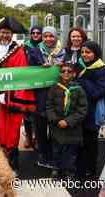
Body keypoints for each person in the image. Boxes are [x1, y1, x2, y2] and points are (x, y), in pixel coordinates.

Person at [0, 16, 36, 175]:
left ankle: (11, 163)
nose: (5, 35)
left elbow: (21, 75)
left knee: (10, 130)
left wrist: (7, 95)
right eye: (2, 32)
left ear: (12, 34)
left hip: (7, 98)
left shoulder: (18, 51)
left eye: (8, 33)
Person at [28, 26, 66, 169]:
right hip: (41, 96)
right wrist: (39, 68)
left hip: (59, 96)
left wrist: (62, 67)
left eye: (51, 36)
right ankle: (43, 156)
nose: (48, 39)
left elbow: (70, 71)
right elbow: (29, 71)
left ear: (56, 37)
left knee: (56, 129)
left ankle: (56, 157)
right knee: (41, 128)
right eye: (45, 36)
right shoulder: (35, 51)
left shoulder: (64, 52)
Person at [75, 41, 105, 178]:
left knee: (90, 142)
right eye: (83, 52)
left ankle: (91, 169)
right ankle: (79, 167)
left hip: (92, 112)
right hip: (78, 111)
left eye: (88, 52)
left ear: (95, 53)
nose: (84, 55)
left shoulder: (102, 70)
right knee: (79, 140)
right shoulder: (78, 65)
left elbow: (98, 92)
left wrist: (83, 81)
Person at [46, 63, 87, 179]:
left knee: (71, 152)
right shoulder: (54, 88)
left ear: (74, 74)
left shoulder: (79, 90)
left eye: (69, 71)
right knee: (56, 149)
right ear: (60, 73)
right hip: (56, 126)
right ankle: (56, 168)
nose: (66, 73)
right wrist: (56, 120)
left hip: (73, 128)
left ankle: (69, 170)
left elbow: (82, 110)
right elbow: (49, 106)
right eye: (63, 71)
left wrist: (68, 121)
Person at [23, 26, 42, 149]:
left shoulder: (44, 46)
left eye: (38, 33)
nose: (35, 35)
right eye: (33, 33)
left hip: (40, 83)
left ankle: (37, 137)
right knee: (26, 111)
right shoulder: (25, 46)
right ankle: (28, 137)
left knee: (37, 113)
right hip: (27, 82)